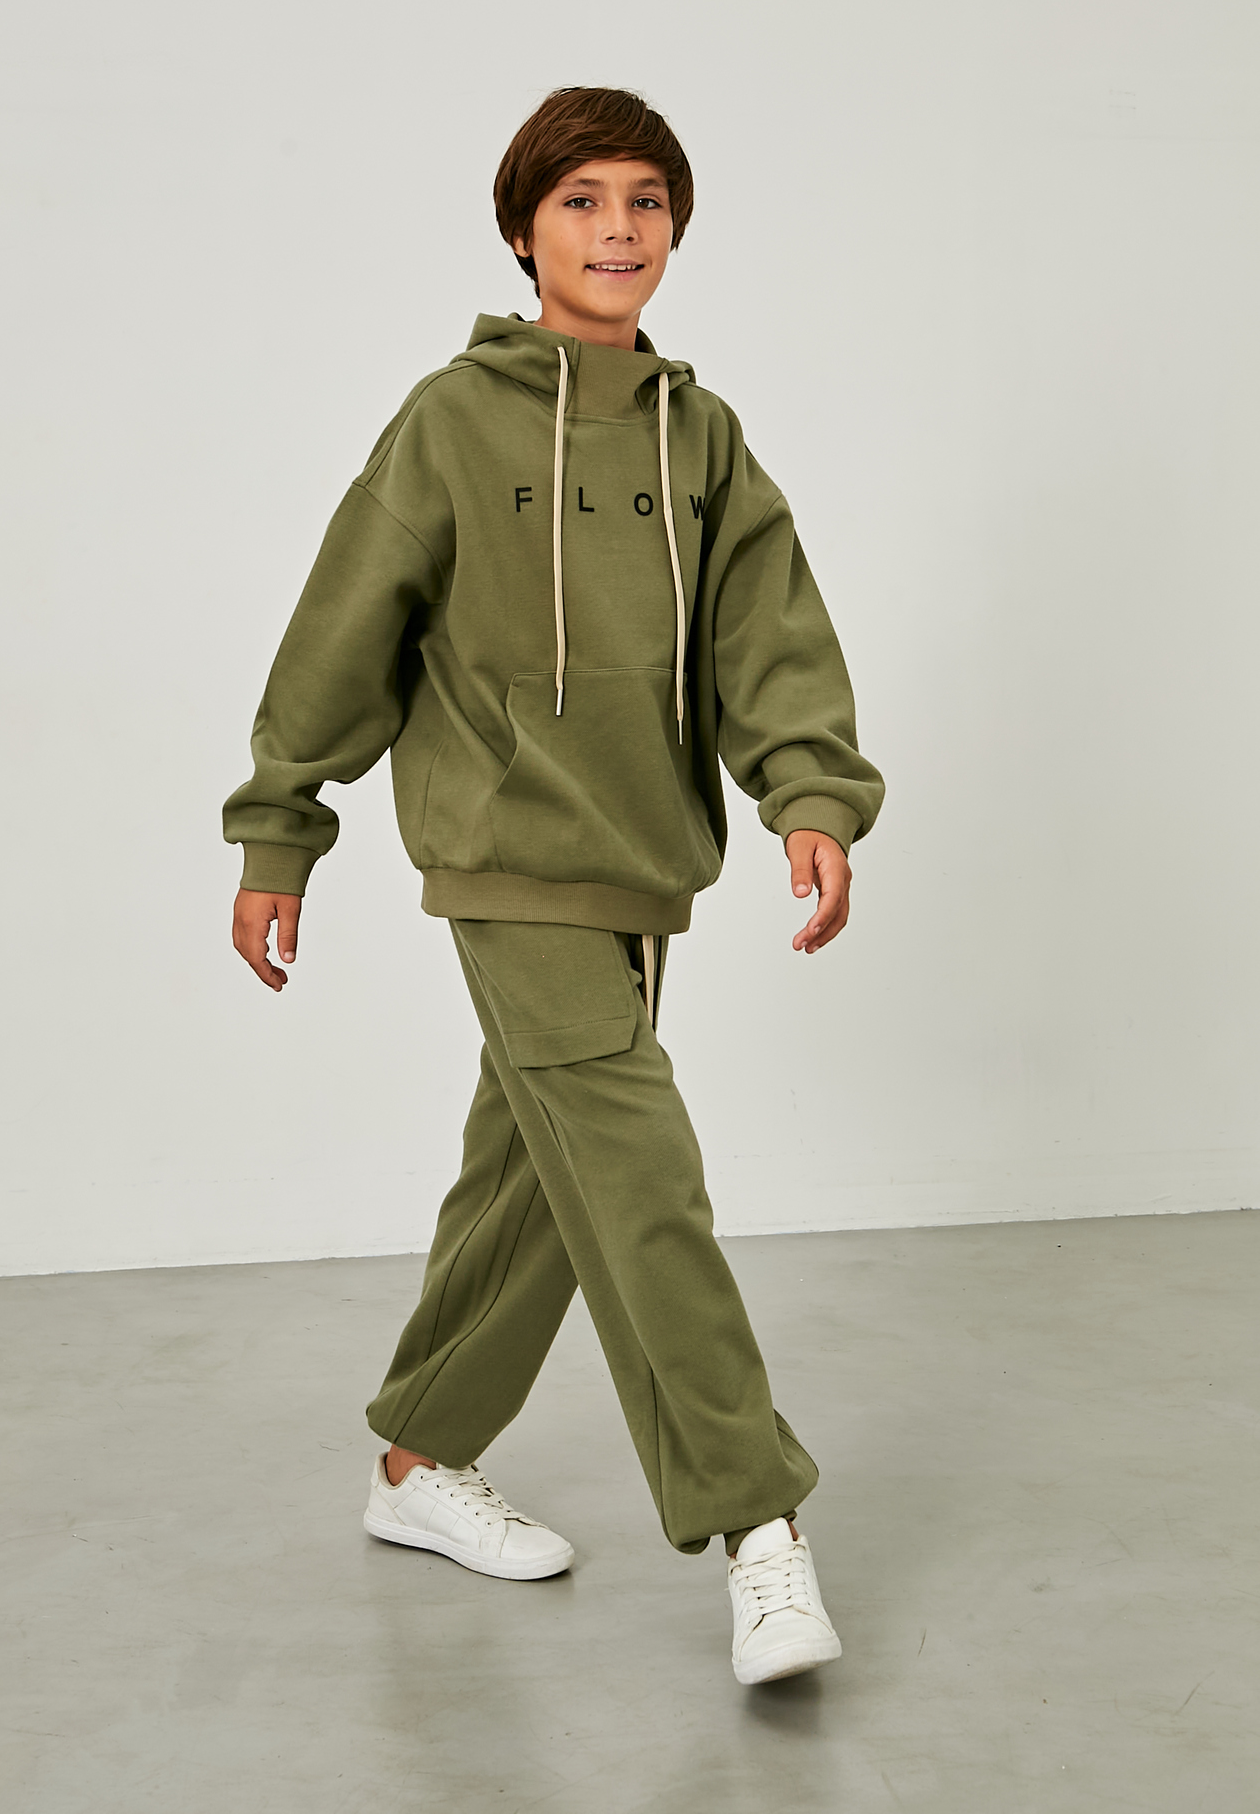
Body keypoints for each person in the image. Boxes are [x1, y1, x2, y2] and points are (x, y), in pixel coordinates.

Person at [224, 86, 884, 1686]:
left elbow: (766, 632)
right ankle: (758, 1526)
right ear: (523, 231)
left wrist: (806, 793)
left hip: (642, 863)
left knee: (535, 1170)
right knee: (642, 1181)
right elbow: (345, 623)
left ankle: (417, 1455)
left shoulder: (697, 436)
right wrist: (280, 826)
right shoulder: (451, 420)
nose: (616, 229)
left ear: (676, 229)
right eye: (580, 200)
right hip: (505, 854)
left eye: (645, 200)